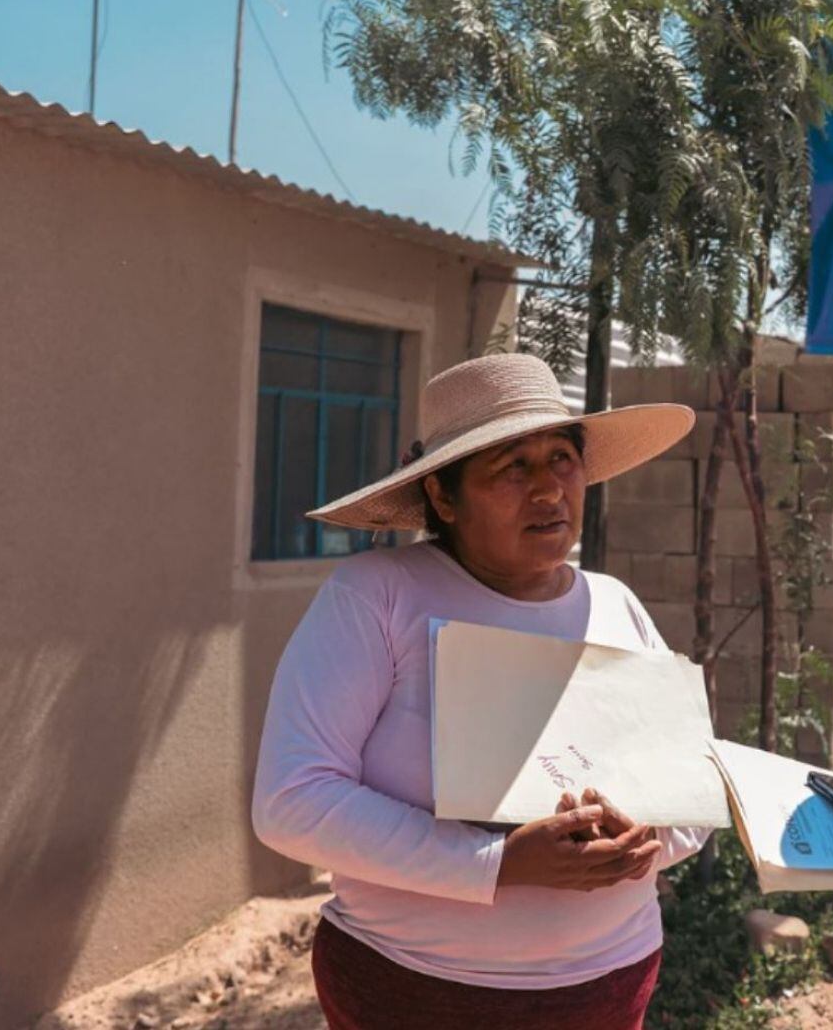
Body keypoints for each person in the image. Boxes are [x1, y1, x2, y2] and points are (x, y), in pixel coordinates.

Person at [252, 354, 706, 1030]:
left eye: (562, 458)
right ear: (442, 496)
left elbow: (691, 789)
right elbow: (292, 801)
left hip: (609, 988)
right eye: (512, 467)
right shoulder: (379, 597)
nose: (549, 490)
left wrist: (649, 838)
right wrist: (497, 862)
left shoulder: (617, 605)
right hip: (417, 994)